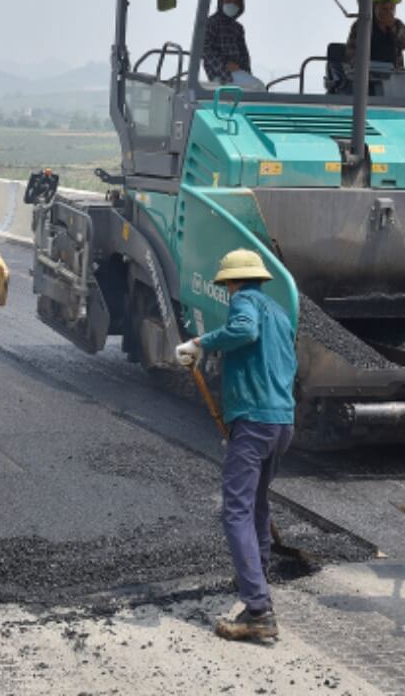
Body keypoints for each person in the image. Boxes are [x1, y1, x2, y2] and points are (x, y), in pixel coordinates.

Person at [174, 249, 297, 642]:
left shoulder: (244, 302)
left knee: (236, 511)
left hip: (255, 422)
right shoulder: (278, 311)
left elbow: (244, 330)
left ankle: (258, 609)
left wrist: (201, 342)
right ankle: (256, 574)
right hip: (282, 421)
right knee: (258, 505)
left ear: (230, 283)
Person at [202, 0, 264, 91]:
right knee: (258, 88)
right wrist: (224, 66)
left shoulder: (238, 28)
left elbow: (244, 55)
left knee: (258, 87)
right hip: (220, 74)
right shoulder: (211, 23)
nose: (233, 4)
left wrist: (246, 72)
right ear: (221, 1)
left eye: (236, 2)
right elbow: (206, 50)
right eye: (229, 0)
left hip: (237, 73)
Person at [345, 0, 405, 68]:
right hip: (367, 76)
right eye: (384, 8)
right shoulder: (362, 25)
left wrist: (393, 27)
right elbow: (351, 53)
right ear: (375, 6)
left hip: (394, 76)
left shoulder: (398, 25)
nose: (388, 12)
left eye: (391, 8)